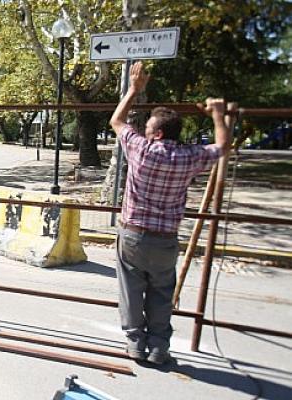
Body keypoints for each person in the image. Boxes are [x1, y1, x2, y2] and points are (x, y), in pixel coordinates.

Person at [109, 61, 231, 365]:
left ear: (159, 134)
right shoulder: (188, 157)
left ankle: (135, 342)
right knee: (163, 291)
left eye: (148, 127)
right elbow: (223, 145)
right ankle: (159, 345)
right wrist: (217, 114)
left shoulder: (141, 149)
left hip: (134, 233)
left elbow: (117, 120)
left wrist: (134, 90)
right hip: (165, 239)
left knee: (131, 288)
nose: (144, 130)